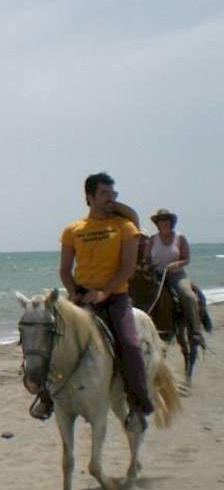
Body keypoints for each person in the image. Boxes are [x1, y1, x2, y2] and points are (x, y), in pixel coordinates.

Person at [52, 172, 153, 432]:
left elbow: (128, 268)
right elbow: (65, 269)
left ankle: (138, 405)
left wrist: (104, 293)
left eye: (113, 194)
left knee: (130, 345)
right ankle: (45, 396)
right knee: (50, 338)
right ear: (90, 197)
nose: (111, 198)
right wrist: (73, 291)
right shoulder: (72, 230)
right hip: (82, 294)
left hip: (115, 296)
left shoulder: (124, 227)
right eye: (105, 194)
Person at [145, 208, 205, 349]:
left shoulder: (180, 238)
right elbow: (146, 259)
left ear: (171, 223)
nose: (164, 224)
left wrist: (176, 264)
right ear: (157, 224)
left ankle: (196, 332)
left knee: (188, 295)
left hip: (176, 275)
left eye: (166, 221)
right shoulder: (152, 240)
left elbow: (187, 259)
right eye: (161, 221)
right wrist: (146, 267)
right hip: (156, 275)